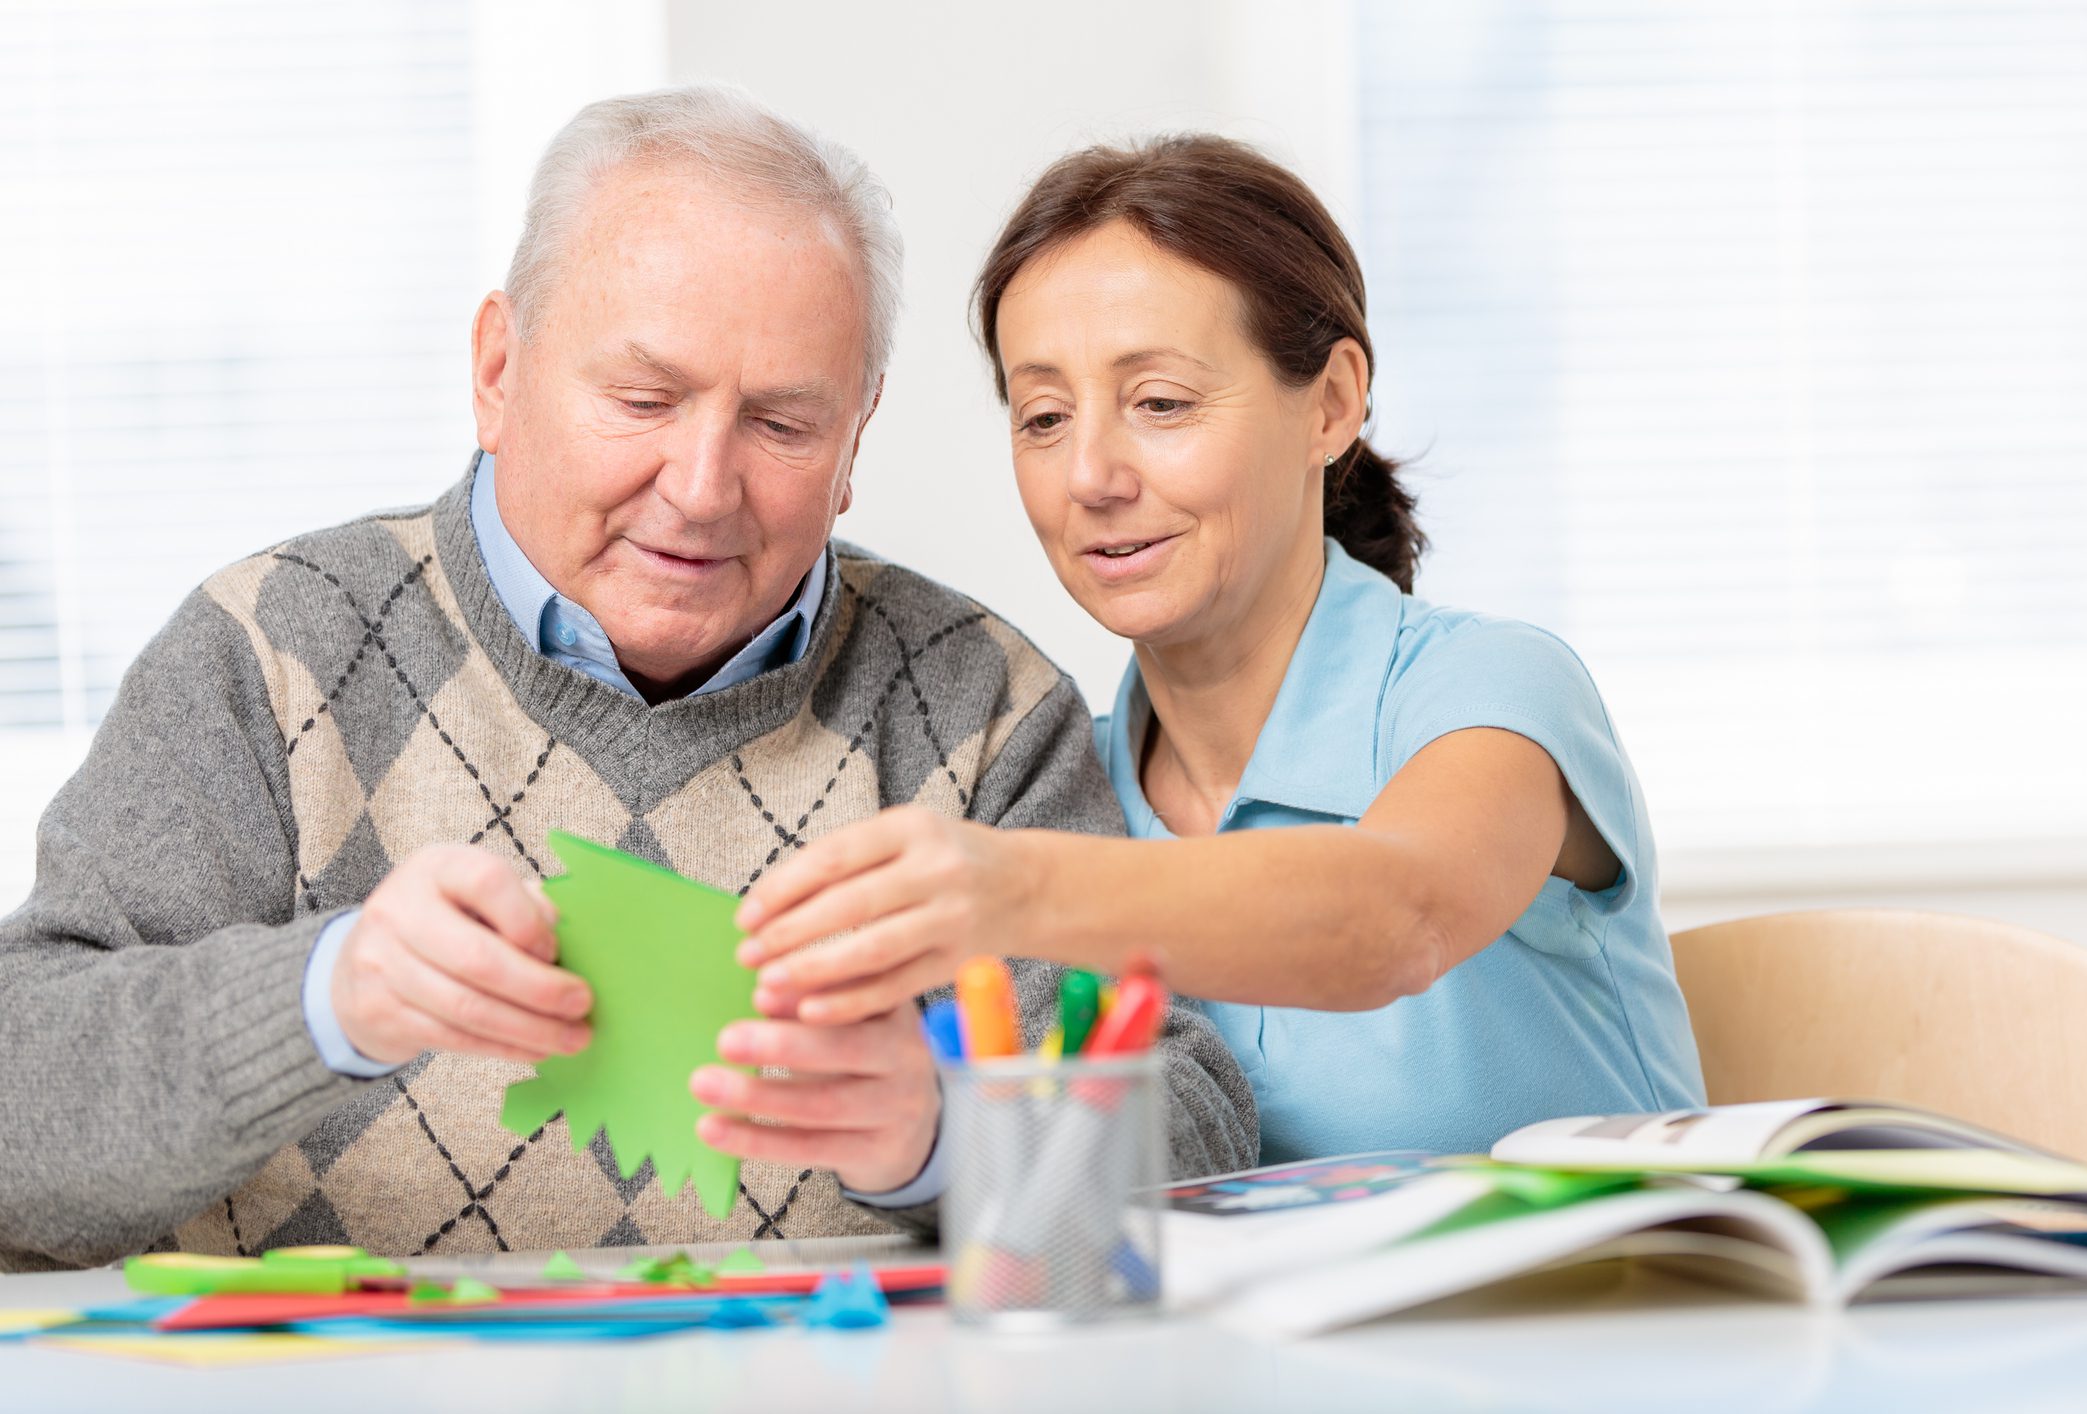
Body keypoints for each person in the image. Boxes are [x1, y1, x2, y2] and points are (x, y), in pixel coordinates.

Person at [0, 91, 1254, 1272]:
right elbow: (19, 1117)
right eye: (644, 398)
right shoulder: (266, 653)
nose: (703, 487)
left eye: (781, 425)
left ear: (856, 438)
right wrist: (325, 996)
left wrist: (944, 1139)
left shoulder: (978, 710)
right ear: (498, 371)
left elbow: (1194, 1140)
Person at [736, 135, 1706, 1165]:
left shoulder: (1491, 689)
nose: (1092, 476)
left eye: (1161, 403)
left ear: (1331, 404)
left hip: (1600, 1312)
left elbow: (1399, 916)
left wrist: (1012, 888)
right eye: (1045, 417)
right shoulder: (1067, 780)